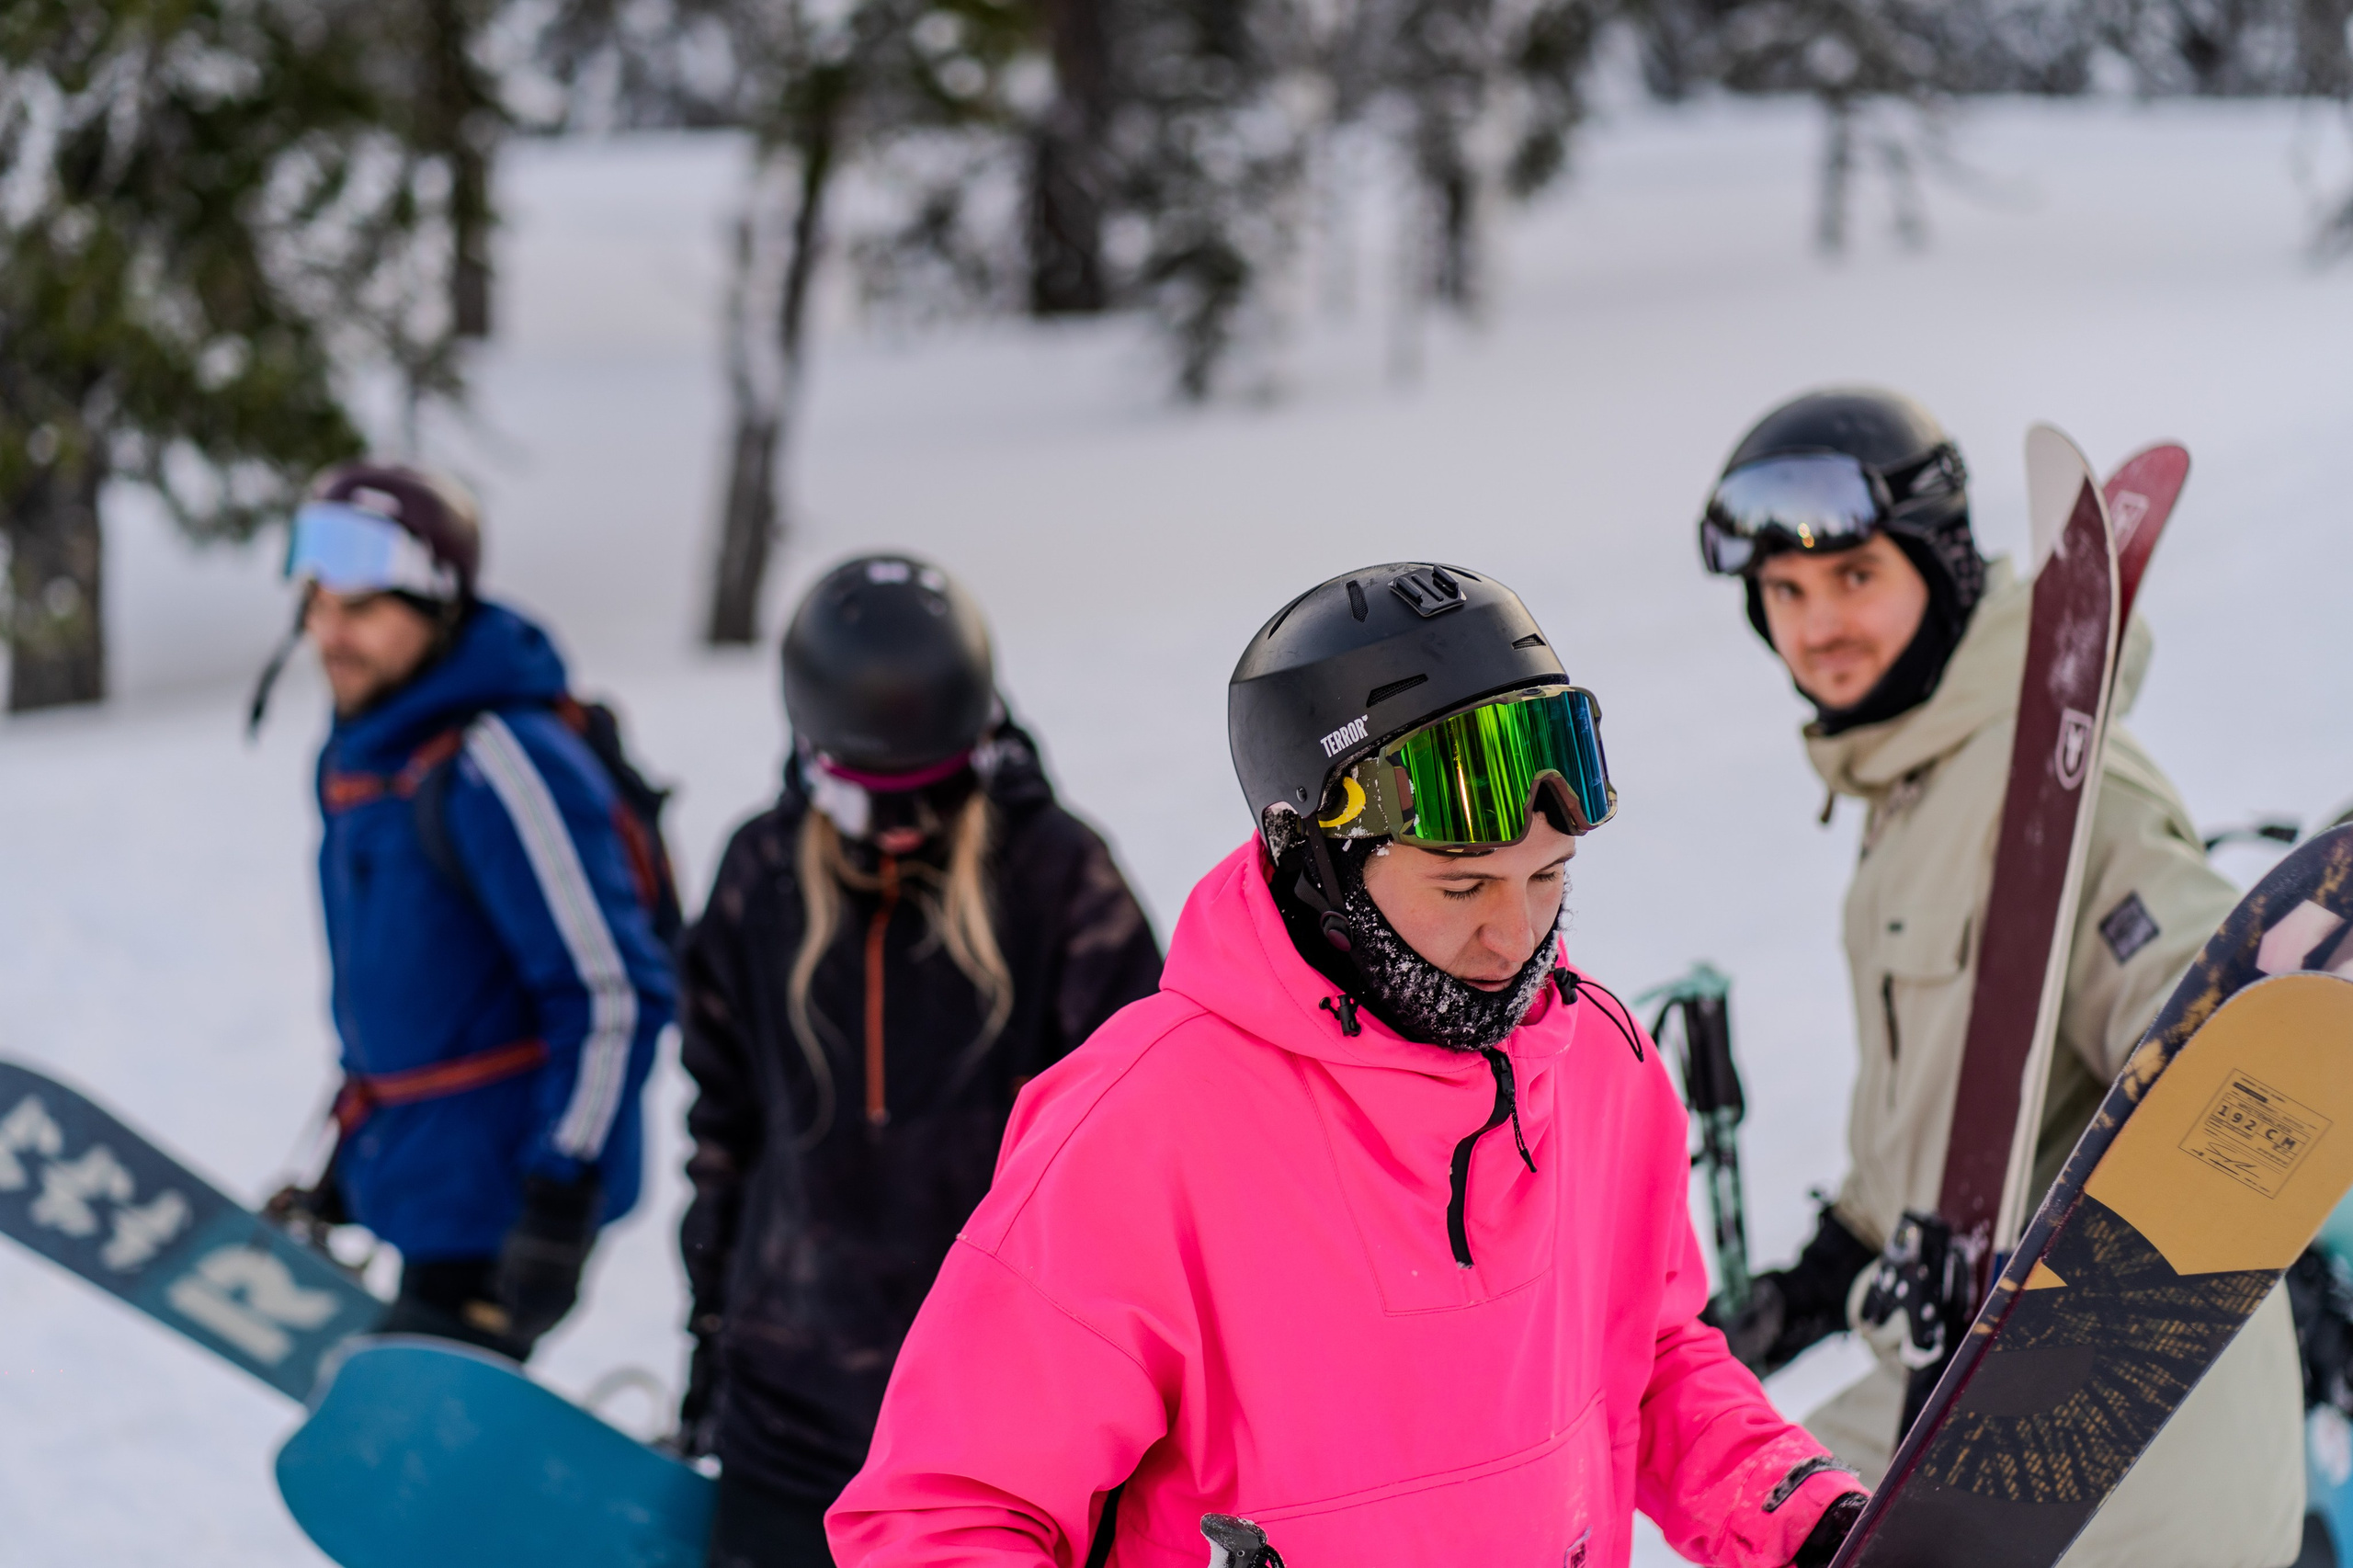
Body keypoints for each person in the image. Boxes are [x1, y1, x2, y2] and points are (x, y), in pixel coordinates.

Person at [827, 562, 1871, 1568]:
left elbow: (1649, 1367)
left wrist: (1808, 1517)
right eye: (1460, 888)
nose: (1515, 936)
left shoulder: (1599, 1065)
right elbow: (944, 1516)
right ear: (1317, 858)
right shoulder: (1143, 1127)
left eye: (1548, 875)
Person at [1697, 388, 2304, 1567]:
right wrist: (1818, 1281)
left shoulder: (2062, 788)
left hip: (2123, 1459)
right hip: (1951, 1390)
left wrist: (2230, 1038)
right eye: (1784, 591)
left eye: (1854, 576)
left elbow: (2197, 999)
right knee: (1730, 1510)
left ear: (1940, 568)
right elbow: (1943, 1120)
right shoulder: (1912, 789)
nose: (1819, 624)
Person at [675, 554, 1164, 1568]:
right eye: (868, 803)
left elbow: (1142, 1156)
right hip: (788, 1412)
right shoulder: (760, 874)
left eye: (930, 795)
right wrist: (709, 1336)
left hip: (993, 1433)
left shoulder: (1059, 877)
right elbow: (724, 1132)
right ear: (813, 760)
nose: (900, 832)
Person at [267, 461, 676, 1360]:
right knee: (393, 1426)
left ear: (437, 606)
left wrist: (561, 1197)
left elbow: (613, 992)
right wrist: (352, 1154)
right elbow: (423, 993)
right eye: (317, 606)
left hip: (509, 1204)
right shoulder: (370, 754)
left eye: (360, 610)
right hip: (428, 1181)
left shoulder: (502, 761)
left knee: (406, 1435)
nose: (329, 634)